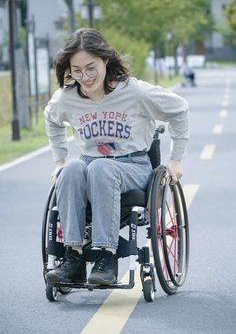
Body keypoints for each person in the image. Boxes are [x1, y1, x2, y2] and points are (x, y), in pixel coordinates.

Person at [44, 28, 189, 286]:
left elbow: (179, 109)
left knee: (101, 168)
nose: (85, 77)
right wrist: (59, 160)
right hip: (90, 165)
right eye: (77, 71)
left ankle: (106, 256)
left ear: (105, 60)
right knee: (71, 170)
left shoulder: (135, 92)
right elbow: (51, 119)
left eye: (91, 68)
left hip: (133, 165)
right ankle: (73, 256)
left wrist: (176, 159)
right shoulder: (67, 98)